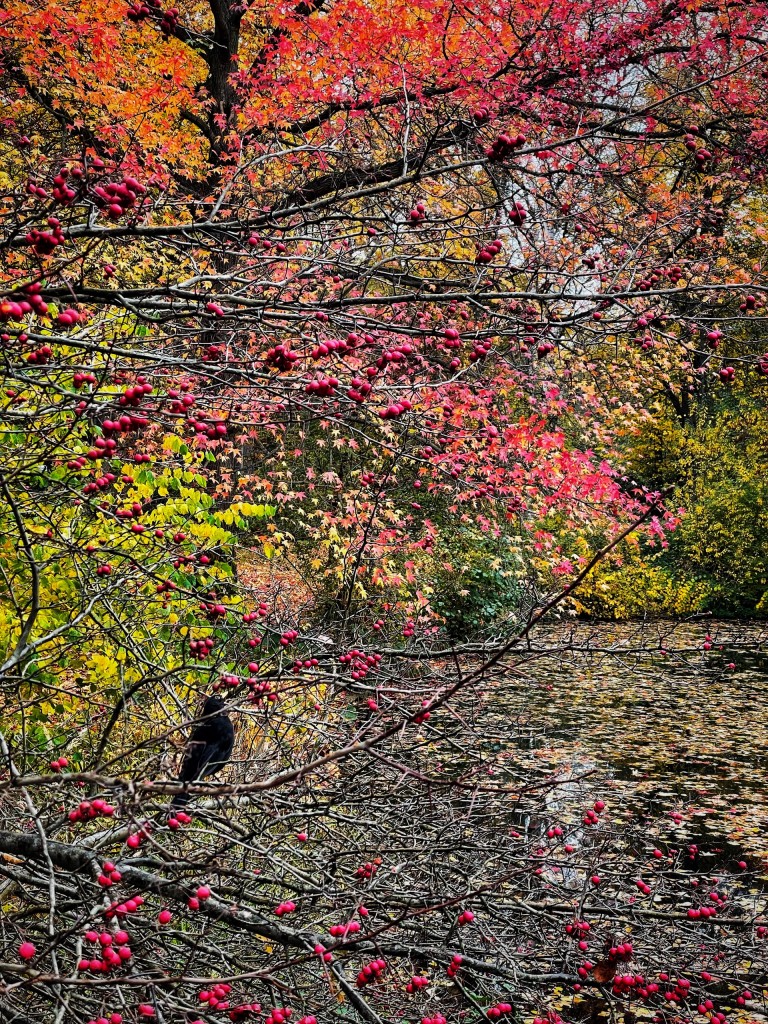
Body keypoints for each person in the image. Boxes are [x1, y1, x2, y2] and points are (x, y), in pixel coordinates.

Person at [171, 696, 234, 807]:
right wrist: (200, 775)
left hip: (191, 767)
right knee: (186, 793)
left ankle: (179, 801)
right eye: (222, 704)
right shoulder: (226, 726)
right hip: (203, 768)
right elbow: (220, 757)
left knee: (183, 792)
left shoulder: (203, 723)